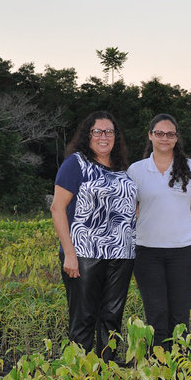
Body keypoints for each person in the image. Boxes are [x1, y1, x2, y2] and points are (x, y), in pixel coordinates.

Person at [50, 111, 137, 362]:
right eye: (97, 131)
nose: (103, 136)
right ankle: (80, 377)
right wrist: (69, 253)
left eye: (109, 132)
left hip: (122, 254)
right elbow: (57, 208)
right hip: (85, 253)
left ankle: (106, 371)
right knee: (84, 317)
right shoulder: (75, 164)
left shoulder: (123, 168)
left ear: (116, 137)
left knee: (111, 317)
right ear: (87, 135)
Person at [128, 113, 191, 348]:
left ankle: (181, 367)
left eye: (170, 134)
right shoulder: (136, 170)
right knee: (156, 315)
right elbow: (130, 211)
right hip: (147, 253)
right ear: (150, 135)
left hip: (183, 252)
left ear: (176, 138)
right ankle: (160, 372)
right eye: (159, 133)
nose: (165, 138)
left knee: (180, 315)